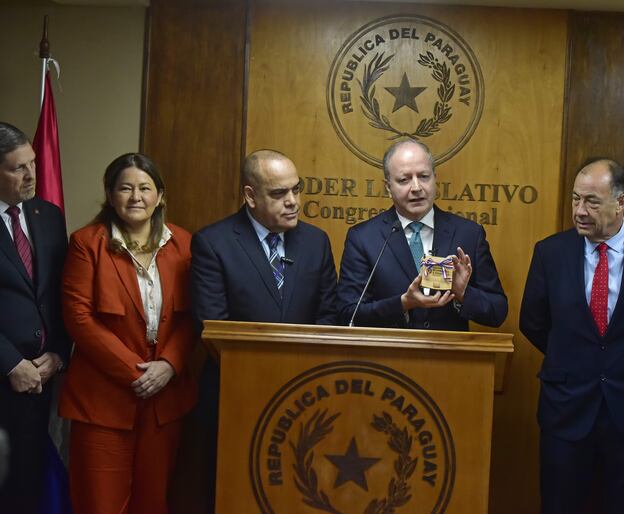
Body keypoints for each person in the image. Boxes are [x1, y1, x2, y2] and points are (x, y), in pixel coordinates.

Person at [519, 158, 624, 514]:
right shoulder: (551, 252)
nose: (579, 210)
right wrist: (576, 358)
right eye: (576, 199)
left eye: (591, 201)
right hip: (566, 408)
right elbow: (533, 321)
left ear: (621, 202)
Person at [190, 149, 337, 512]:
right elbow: (214, 326)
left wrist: (299, 377)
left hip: (306, 398)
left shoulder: (316, 242)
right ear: (250, 196)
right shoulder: (214, 243)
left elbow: (330, 314)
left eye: (296, 190)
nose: (292, 202)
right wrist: (269, 375)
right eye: (278, 194)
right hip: (236, 396)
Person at [59, 153, 197, 514]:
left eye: (145, 188)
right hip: (102, 400)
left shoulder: (184, 244)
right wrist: (136, 373)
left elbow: (193, 316)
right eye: (125, 188)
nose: (136, 197)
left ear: (160, 196)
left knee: (153, 503)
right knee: (100, 503)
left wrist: (168, 365)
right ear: (110, 194)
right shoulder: (87, 243)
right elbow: (79, 318)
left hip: (164, 402)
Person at [336, 139, 507, 330]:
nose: (416, 187)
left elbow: (498, 312)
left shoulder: (468, 234)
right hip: (386, 356)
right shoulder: (363, 238)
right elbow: (347, 313)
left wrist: (463, 293)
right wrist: (402, 303)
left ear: (435, 178)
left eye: (424, 176)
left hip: (451, 356)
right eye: (404, 180)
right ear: (388, 187)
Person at [0, 122, 69, 514]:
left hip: (38, 382)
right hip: (5, 373)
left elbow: (59, 294)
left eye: (33, 163)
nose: (31, 176)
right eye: (18, 168)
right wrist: (10, 363)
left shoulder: (48, 215)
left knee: (27, 487)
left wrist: (59, 354)